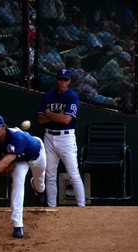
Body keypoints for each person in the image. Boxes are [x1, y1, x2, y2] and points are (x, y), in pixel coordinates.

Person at [0, 114, 46, 238]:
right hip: (20, 161)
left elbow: (6, 161)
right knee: (17, 184)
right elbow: (2, 160)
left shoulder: (16, 137)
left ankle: (39, 189)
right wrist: (6, 166)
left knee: (40, 180)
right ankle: (18, 225)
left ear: (4, 127)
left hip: (36, 154)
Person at [38, 69, 85, 207]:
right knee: (50, 175)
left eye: (65, 80)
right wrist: (57, 114)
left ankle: (81, 207)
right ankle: (51, 207)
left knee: (73, 174)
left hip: (66, 138)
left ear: (69, 82)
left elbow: (66, 119)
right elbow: (40, 120)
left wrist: (49, 113)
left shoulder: (72, 97)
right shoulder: (47, 96)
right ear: (56, 80)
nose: (62, 82)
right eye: (60, 79)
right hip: (49, 136)